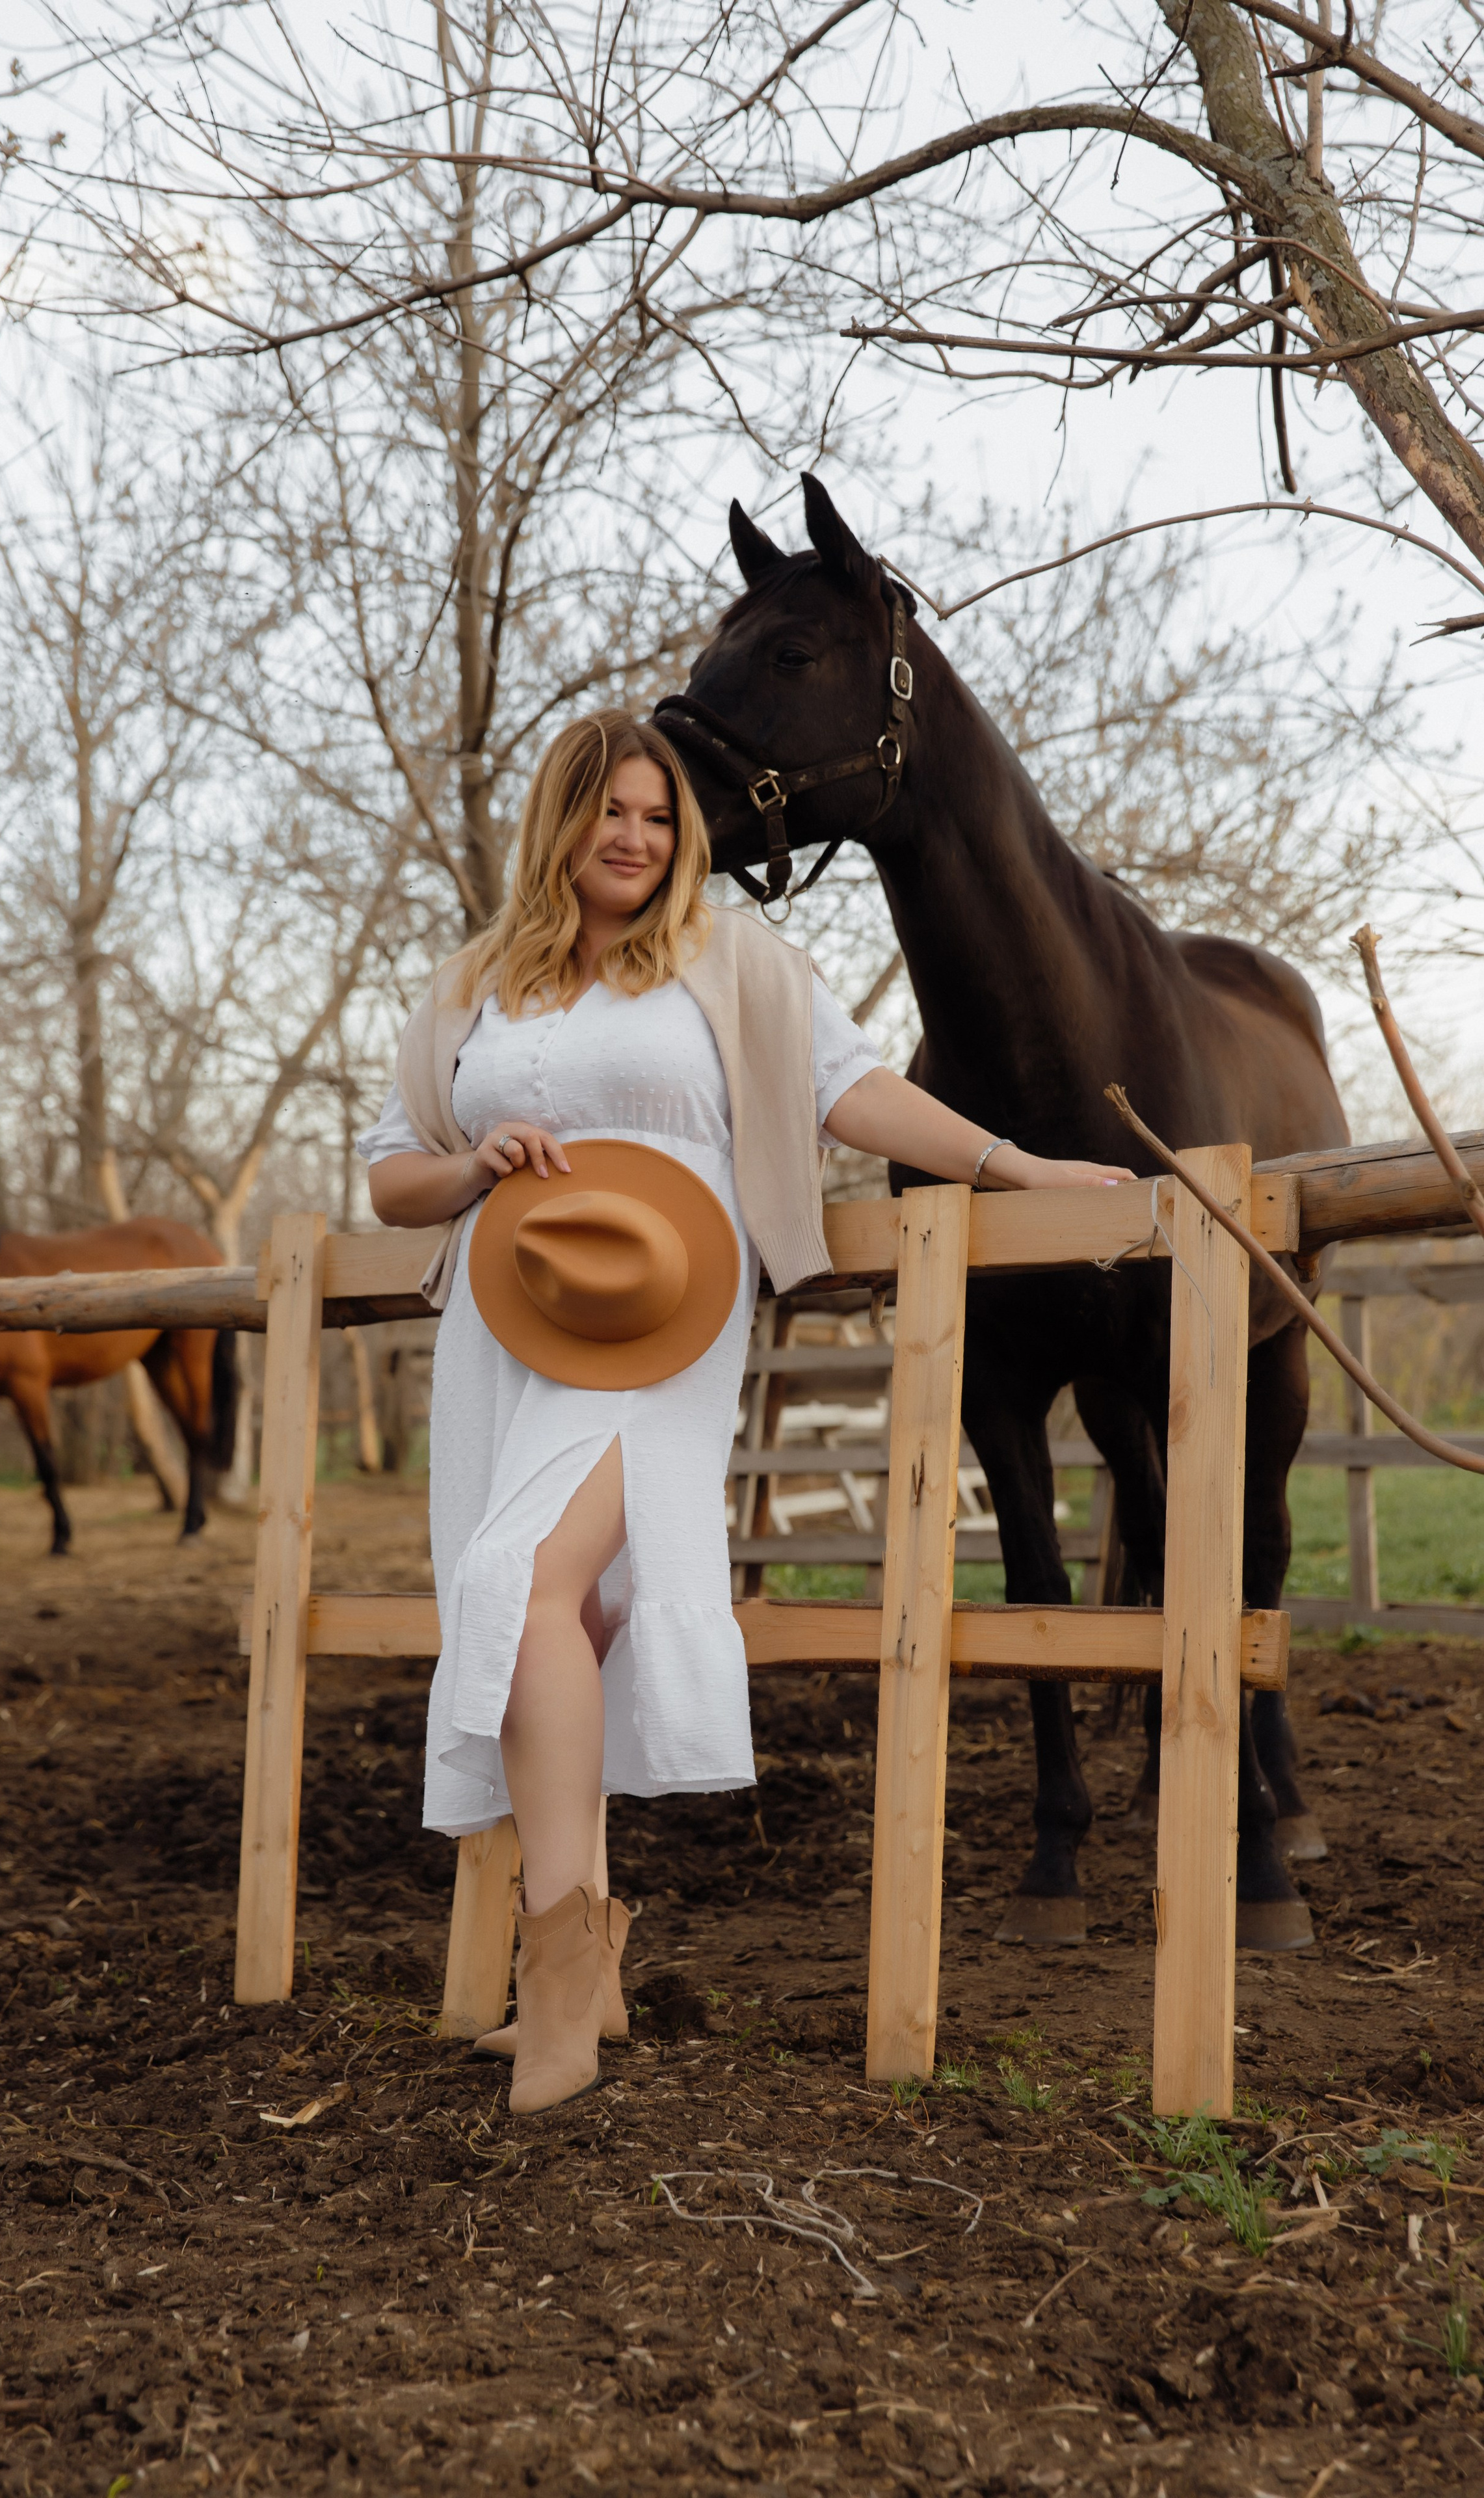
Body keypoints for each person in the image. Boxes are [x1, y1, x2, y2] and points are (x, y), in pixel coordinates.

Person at [357, 710, 1132, 2114]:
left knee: (516, 1581)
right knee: (557, 1618)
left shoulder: (732, 960)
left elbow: (852, 1092)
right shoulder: (475, 981)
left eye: (659, 818)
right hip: (506, 1328)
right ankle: (586, 1966)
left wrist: (1016, 1166)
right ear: (559, 823)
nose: (637, 839)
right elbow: (390, 1174)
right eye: (611, 814)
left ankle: (556, 1984)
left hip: (667, 1319)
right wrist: (474, 1164)